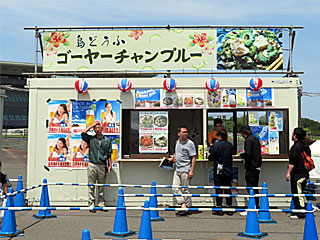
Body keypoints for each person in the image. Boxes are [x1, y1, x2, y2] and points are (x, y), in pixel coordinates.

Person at [81, 121, 112, 213]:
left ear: (102, 129)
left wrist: (110, 165)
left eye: (99, 128)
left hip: (102, 165)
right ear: (94, 129)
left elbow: (109, 154)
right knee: (91, 185)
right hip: (92, 164)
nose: (97, 129)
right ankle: (91, 204)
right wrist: (92, 125)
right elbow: (83, 133)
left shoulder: (107, 140)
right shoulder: (91, 139)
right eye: (96, 128)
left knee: (101, 186)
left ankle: (101, 203)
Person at [169, 126, 196, 216]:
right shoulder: (177, 142)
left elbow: (193, 157)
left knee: (185, 189)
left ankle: (186, 208)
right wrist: (173, 157)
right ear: (179, 134)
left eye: (186, 132)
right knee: (175, 187)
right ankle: (183, 204)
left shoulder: (190, 144)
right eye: (183, 132)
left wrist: (191, 171)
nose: (185, 134)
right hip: (177, 169)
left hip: (185, 169)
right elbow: (177, 152)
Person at [285, 127, 311, 219]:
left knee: (297, 194)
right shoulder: (306, 146)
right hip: (305, 173)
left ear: (295, 136)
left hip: (297, 174)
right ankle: (304, 209)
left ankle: (300, 212)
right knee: (301, 193)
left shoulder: (295, 147)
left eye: (292, 133)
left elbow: (292, 163)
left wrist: (288, 173)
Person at [208, 129, 234, 216]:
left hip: (219, 169)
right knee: (227, 188)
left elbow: (211, 157)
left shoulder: (216, 145)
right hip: (228, 168)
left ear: (219, 136)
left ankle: (219, 208)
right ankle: (229, 207)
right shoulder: (230, 145)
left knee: (218, 188)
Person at [239, 125, 262, 212]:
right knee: (255, 187)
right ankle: (256, 206)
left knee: (250, 187)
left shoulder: (248, 140)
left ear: (244, 132)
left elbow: (248, 153)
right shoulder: (255, 139)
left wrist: (241, 155)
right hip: (257, 166)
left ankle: (253, 208)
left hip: (251, 167)